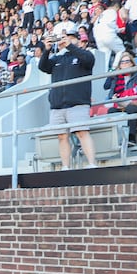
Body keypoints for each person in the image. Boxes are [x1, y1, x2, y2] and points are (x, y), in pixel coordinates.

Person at [38, 28, 98, 170]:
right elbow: (43, 66)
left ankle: (92, 164)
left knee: (82, 132)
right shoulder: (57, 58)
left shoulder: (84, 55)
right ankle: (65, 166)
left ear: (78, 40)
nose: (64, 40)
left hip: (77, 103)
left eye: (70, 37)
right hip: (57, 105)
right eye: (62, 38)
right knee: (61, 137)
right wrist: (46, 50)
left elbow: (88, 60)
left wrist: (70, 46)